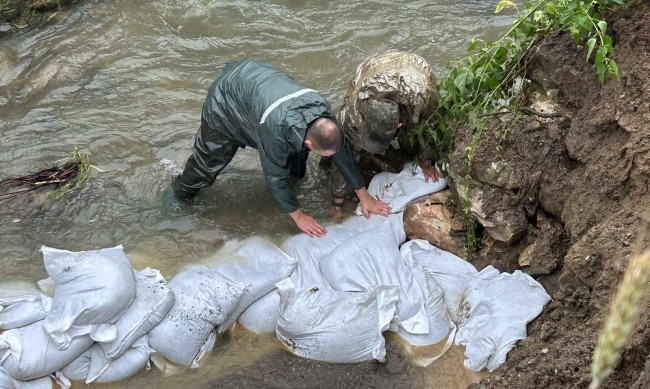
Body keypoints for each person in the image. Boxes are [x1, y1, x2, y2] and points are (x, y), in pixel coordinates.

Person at [165, 59, 391, 237]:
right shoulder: (275, 131)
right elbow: (274, 177)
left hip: (262, 91)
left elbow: (340, 151)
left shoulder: (323, 113)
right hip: (227, 100)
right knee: (207, 165)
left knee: (296, 165)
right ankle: (175, 197)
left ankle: (295, 186)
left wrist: (363, 194)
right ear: (311, 143)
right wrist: (299, 216)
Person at [323, 51, 444, 217]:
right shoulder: (357, 110)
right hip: (374, 68)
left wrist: (425, 159)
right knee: (346, 145)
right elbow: (343, 151)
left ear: (399, 125)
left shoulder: (421, 99)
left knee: (414, 138)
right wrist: (337, 201)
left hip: (413, 71)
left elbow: (431, 125)